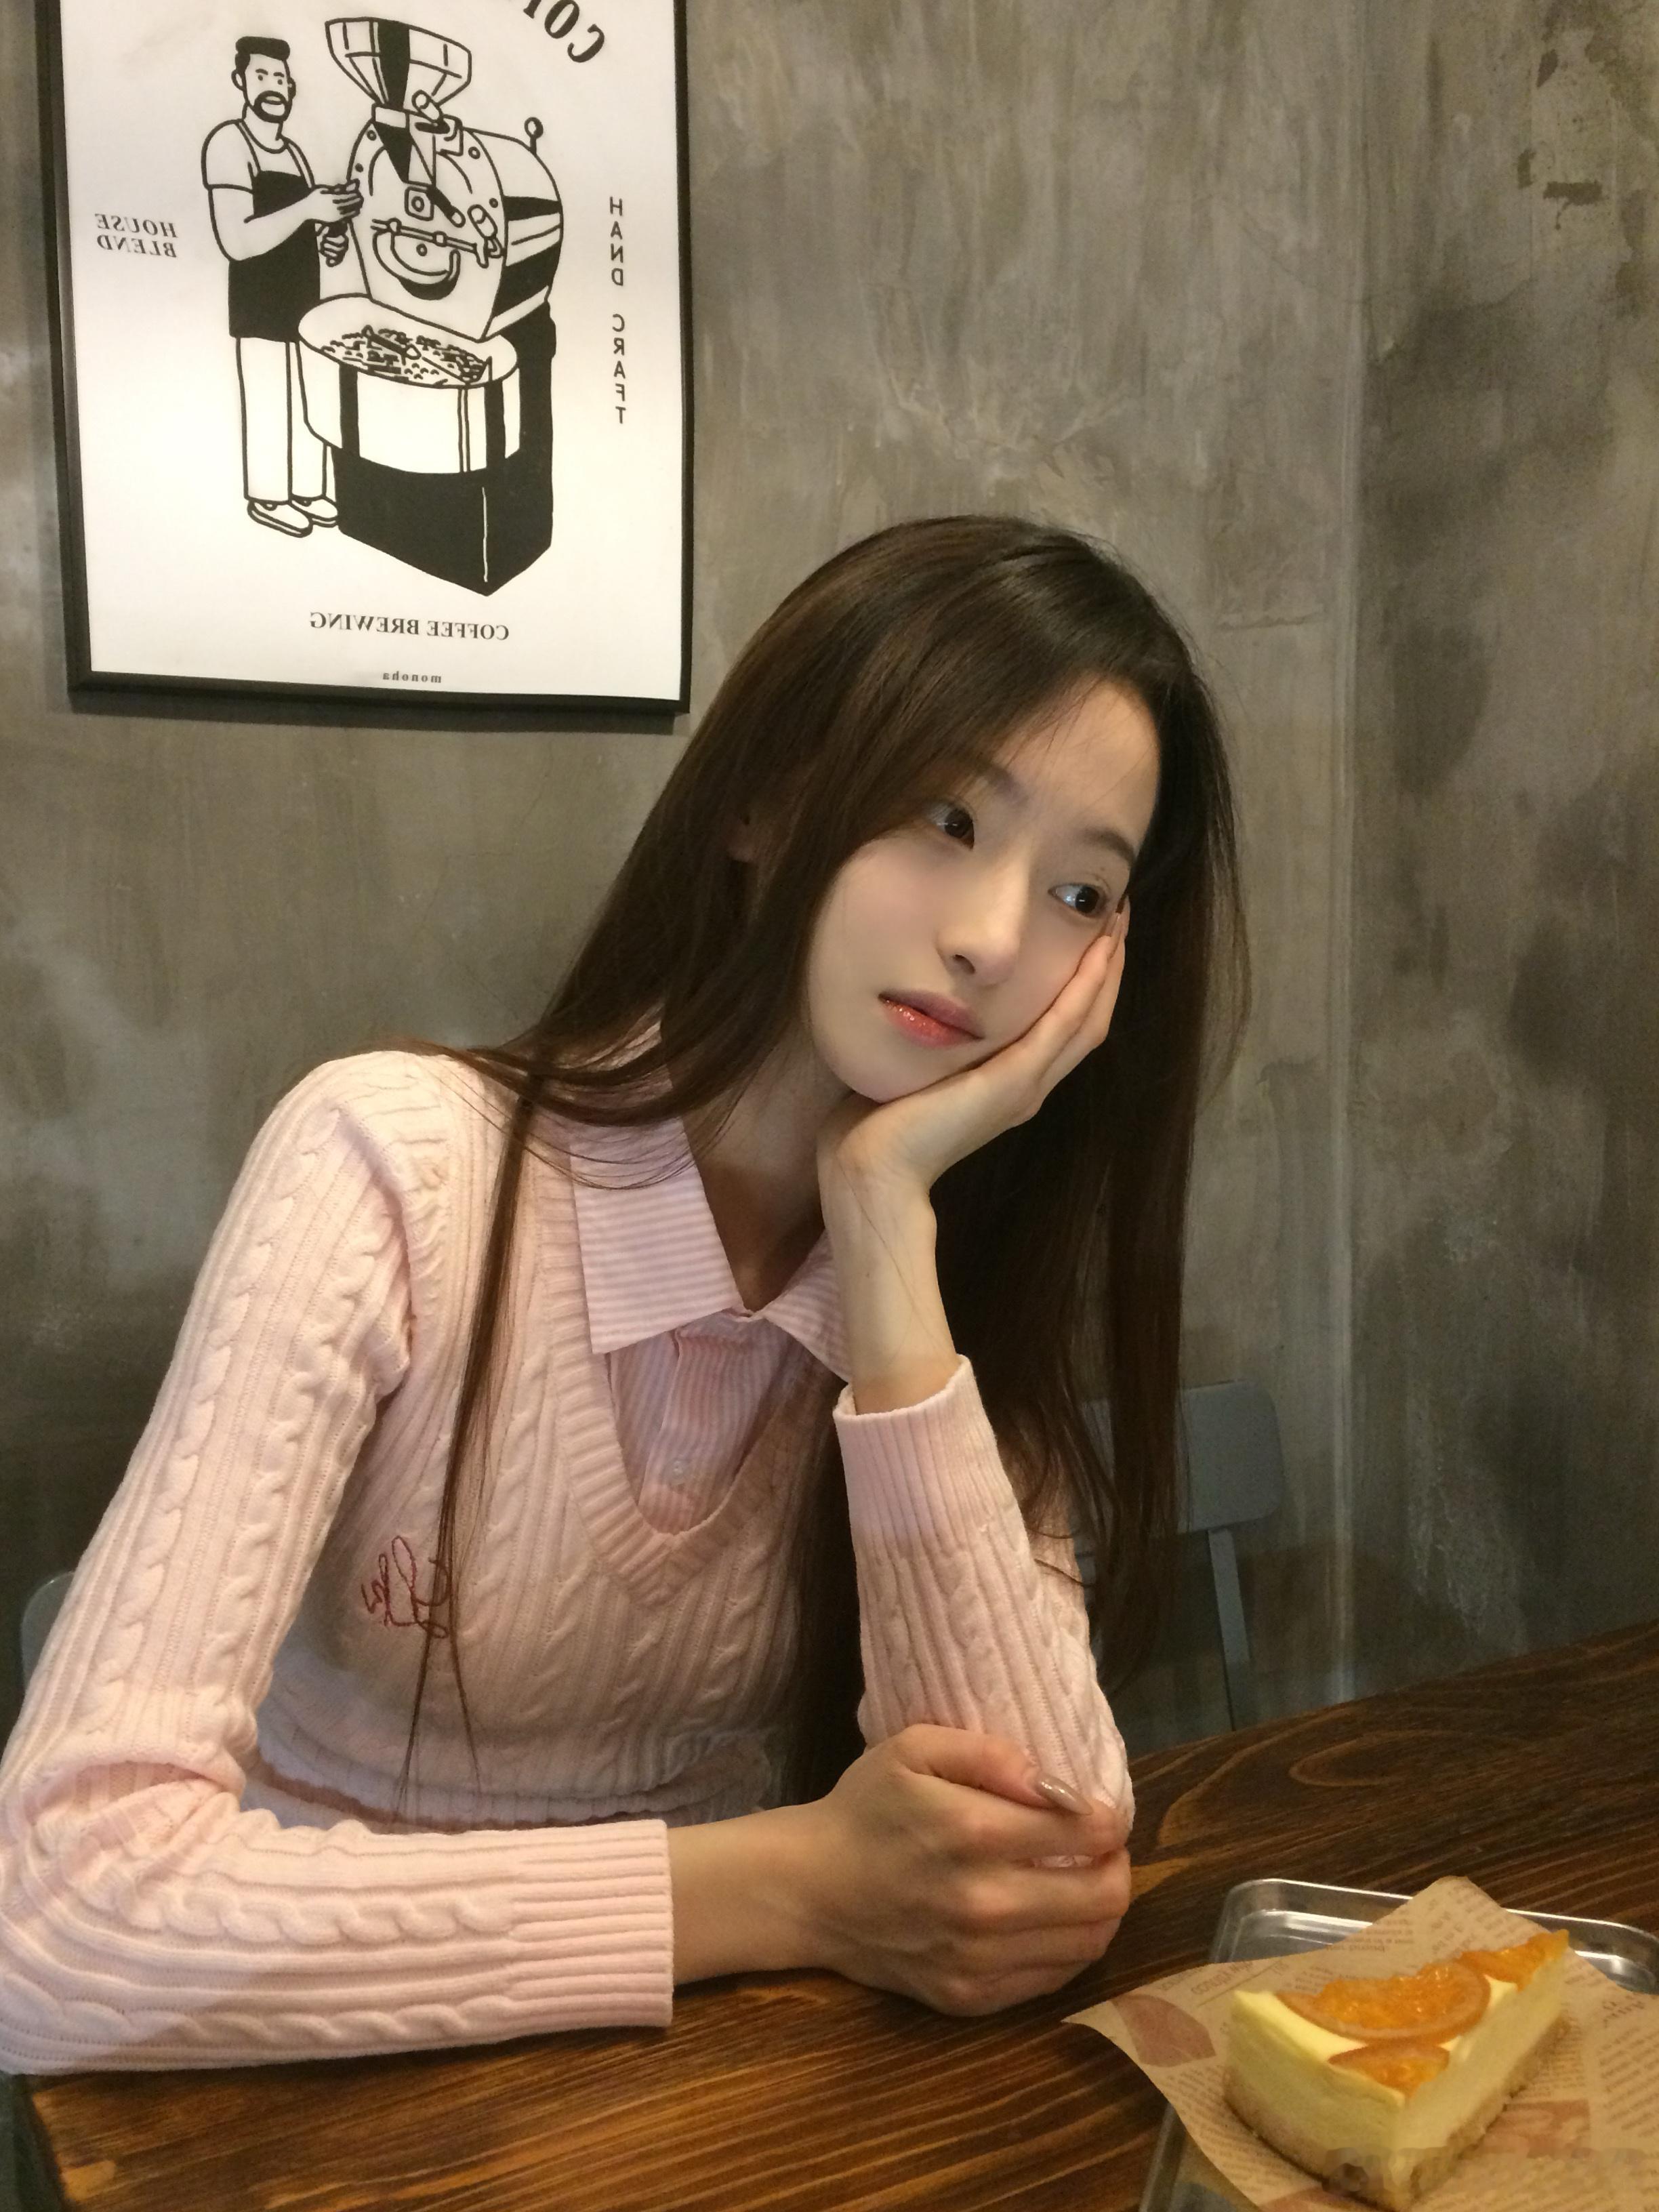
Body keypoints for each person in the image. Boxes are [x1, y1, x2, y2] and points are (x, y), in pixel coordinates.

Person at [0, 515, 1246, 2072]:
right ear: (764, 798)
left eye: (1078, 893)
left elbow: (1030, 1867)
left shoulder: (942, 1279)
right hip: (302, 2092)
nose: (991, 937)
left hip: (705, 2099)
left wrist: (880, 1226)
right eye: (945, 816)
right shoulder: (395, 1170)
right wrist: (790, 1887)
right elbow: (59, 1913)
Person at [201, 36, 362, 538]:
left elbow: (302, 230)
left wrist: (330, 236)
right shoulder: (229, 144)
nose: (273, 87)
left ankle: (309, 489)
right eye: (262, 76)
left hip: (303, 299)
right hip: (260, 299)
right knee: (270, 396)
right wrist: (310, 208)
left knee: (308, 397)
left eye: (281, 79)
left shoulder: (293, 152)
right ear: (241, 82)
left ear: (292, 89)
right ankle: (269, 496)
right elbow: (237, 241)